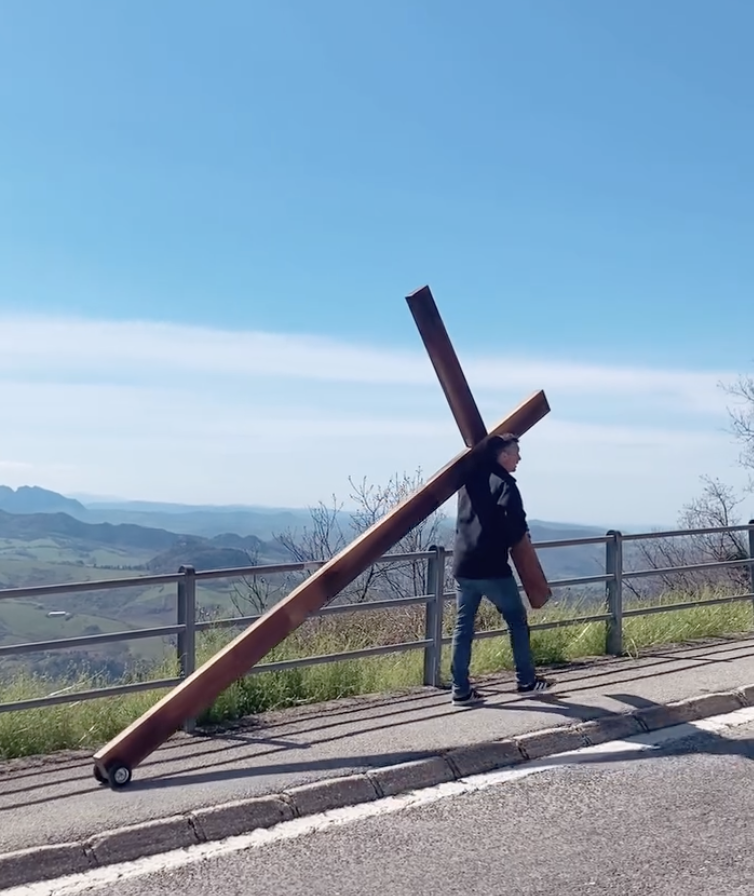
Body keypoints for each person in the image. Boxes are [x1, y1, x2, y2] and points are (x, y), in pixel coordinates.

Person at [449, 432, 552, 706]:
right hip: (491, 566)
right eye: (516, 453)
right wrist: (513, 540)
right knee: (516, 620)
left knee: (463, 627)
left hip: (462, 564)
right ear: (503, 455)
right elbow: (515, 523)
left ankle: (460, 690)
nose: (519, 458)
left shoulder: (469, 478)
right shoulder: (504, 484)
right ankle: (526, 681)